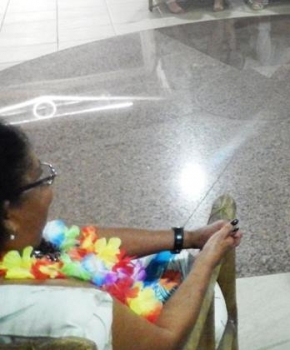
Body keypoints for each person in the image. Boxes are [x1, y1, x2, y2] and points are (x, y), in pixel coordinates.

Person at [0, 121, 243, 349]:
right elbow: (165, 339)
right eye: (40, 180)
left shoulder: (16, 245)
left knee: (171, 262)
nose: (49, 191)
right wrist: (206, 261)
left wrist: (188, 237)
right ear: (8, 215)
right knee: (196, 282)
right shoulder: (77, 307)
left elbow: (75, 239)